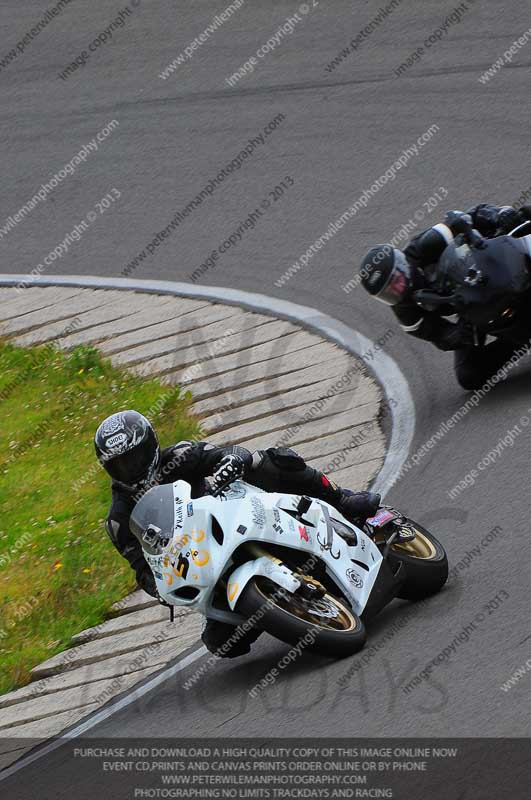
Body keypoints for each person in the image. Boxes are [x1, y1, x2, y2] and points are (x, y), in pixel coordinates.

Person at [94, 410, 381, 657]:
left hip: (234, 512)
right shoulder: (119, 520)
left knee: (268, 460)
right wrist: (159, 586)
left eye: (135, 458)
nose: (130, 469)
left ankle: (342, 499)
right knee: (221, 643)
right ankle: (280, 608)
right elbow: (141, 568)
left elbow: (228, 452)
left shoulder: (179, 456)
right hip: (202, 560)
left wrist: (231, 461)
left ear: (151, 445)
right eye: (120, 464)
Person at [360, 203, 531, 389]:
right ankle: (518, 342)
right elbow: (439, 336)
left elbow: (467, 217)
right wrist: (457, 335)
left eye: (395, 281)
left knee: (522, 214)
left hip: (492, 261)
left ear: (402, 266)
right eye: (388, 293)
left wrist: (497, 215)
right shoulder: (406, 314)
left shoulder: (424, 245)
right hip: (473, 307)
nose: (397, 291)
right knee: (469, 376)